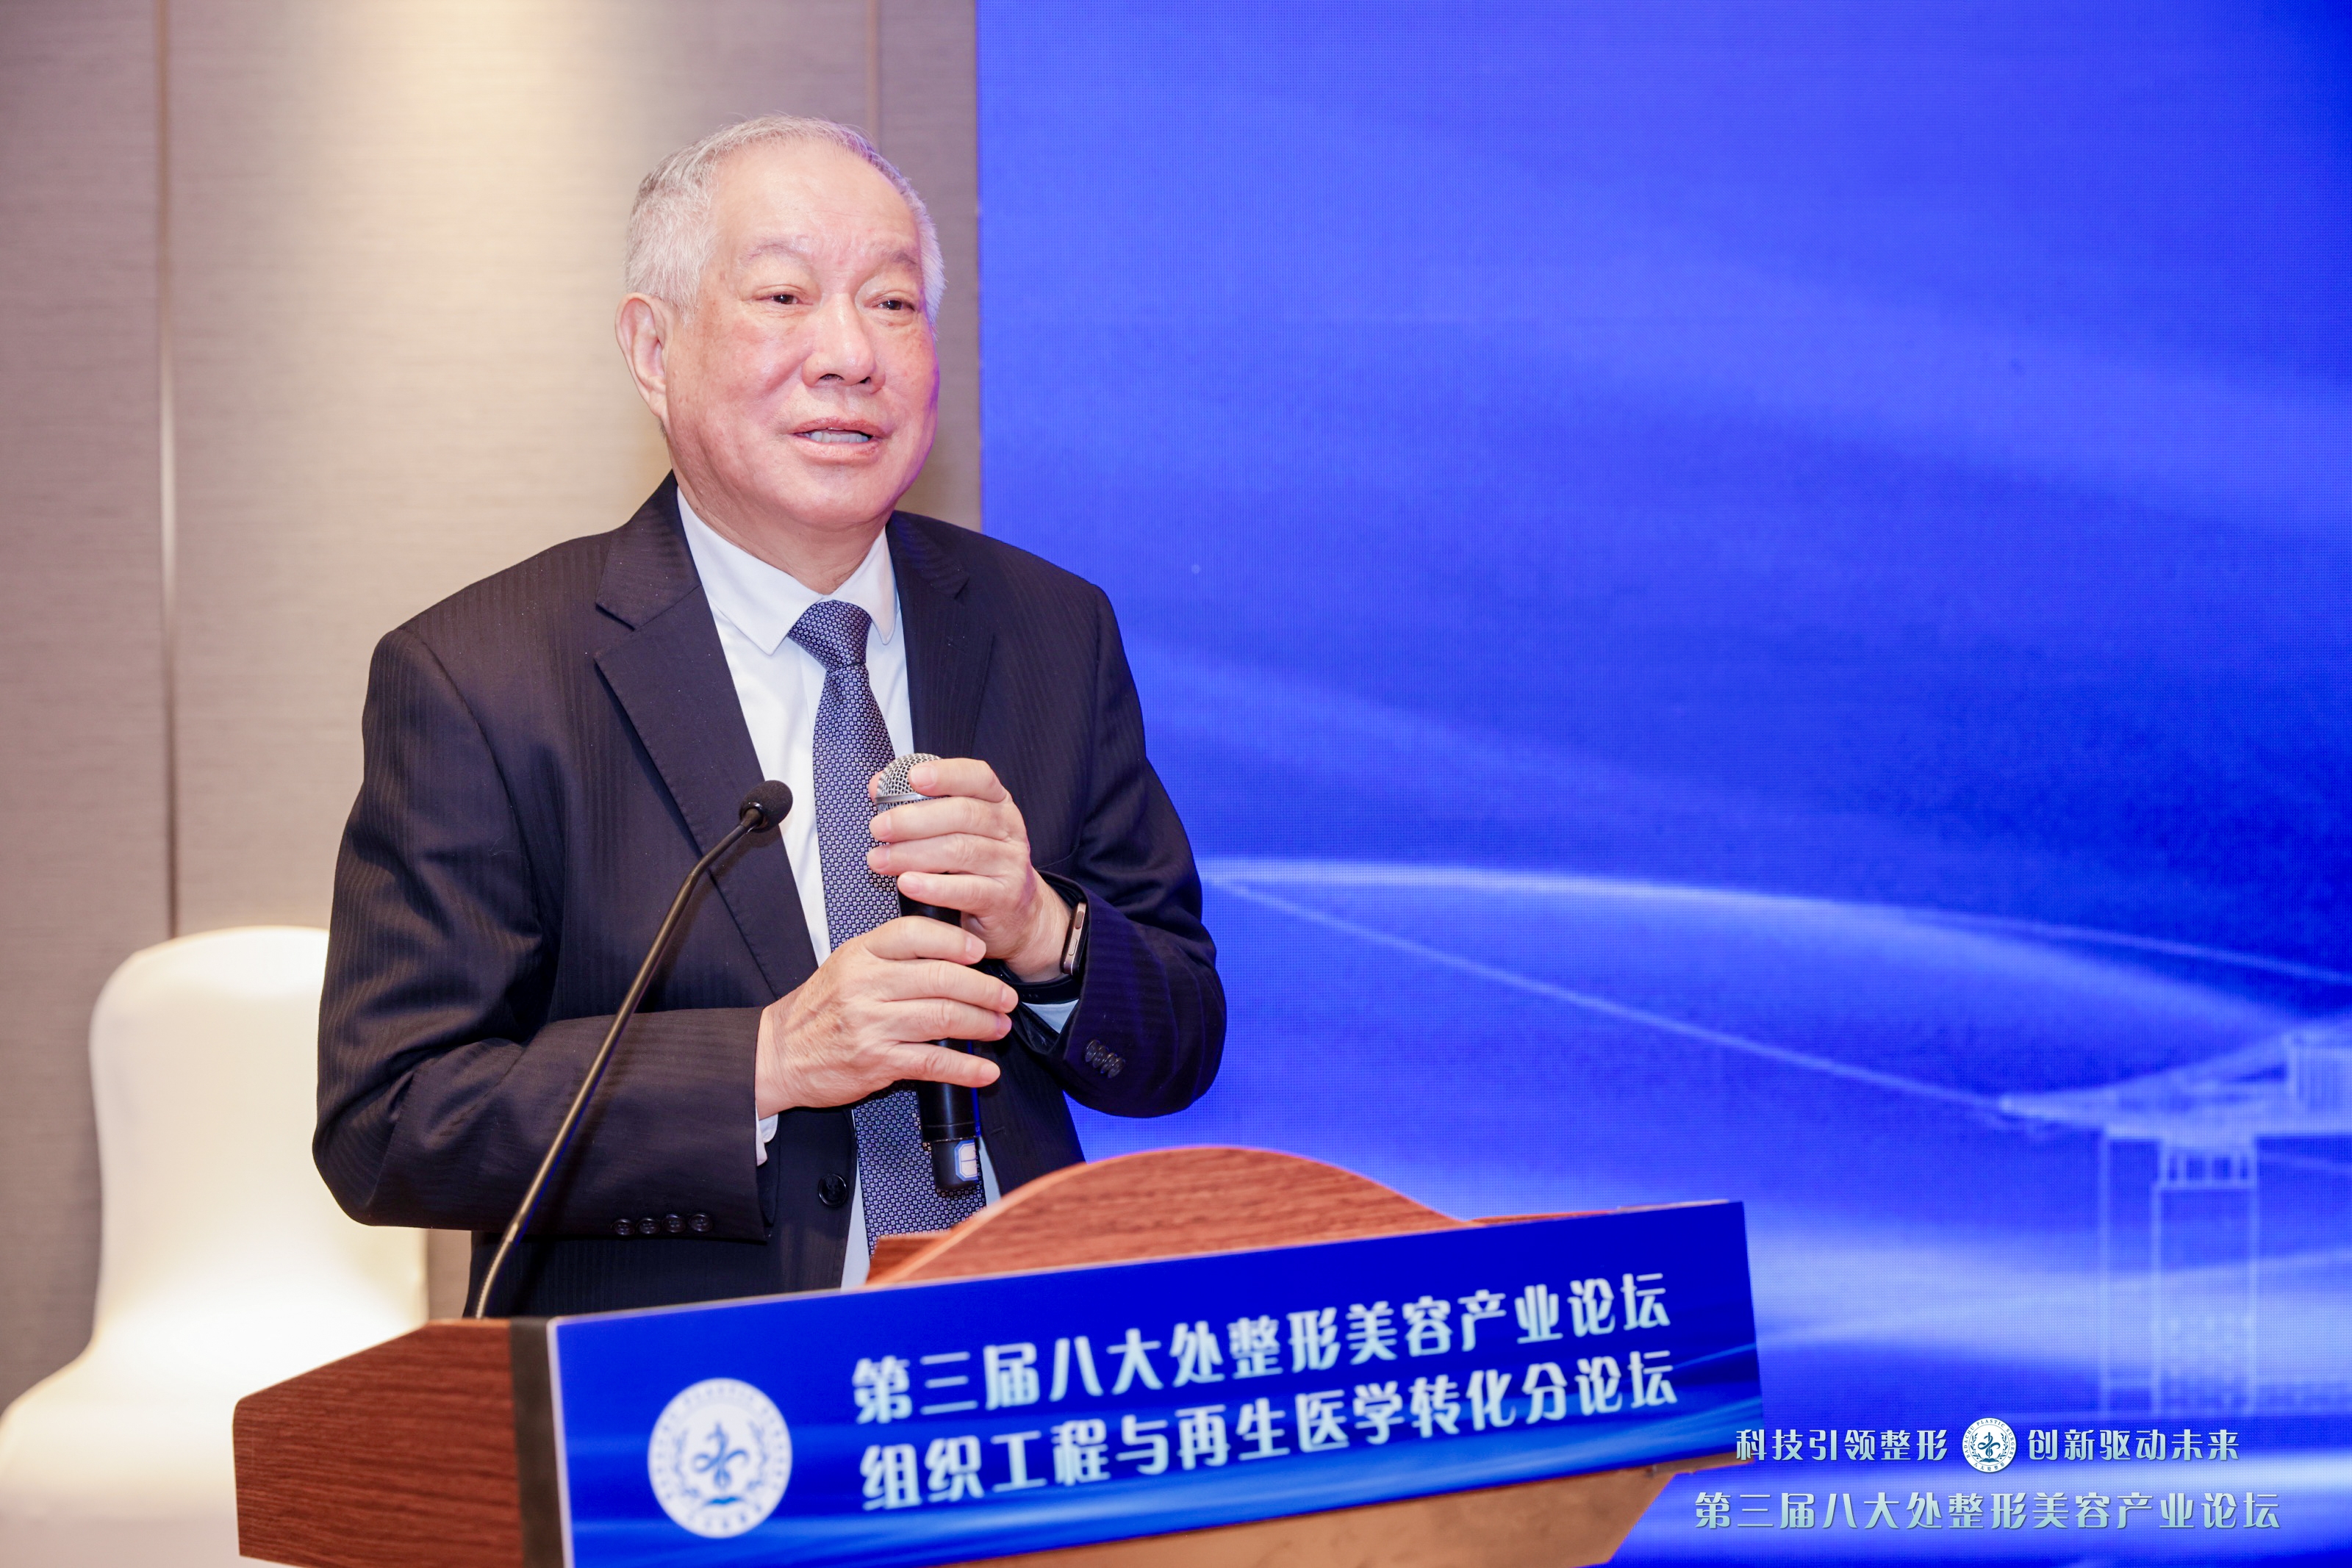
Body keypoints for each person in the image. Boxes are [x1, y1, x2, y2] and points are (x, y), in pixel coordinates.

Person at [314, 116, 1223, 1317]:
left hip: (1007, 1350)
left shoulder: (1053, 628)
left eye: (891, 304)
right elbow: (390, 1118)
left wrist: (1043, 929)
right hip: (686, 1387)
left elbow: (1179, 1041)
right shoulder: (481, 676)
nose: (849, 353)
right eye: (785, 296)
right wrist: (766, 1060)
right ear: (654, 348)